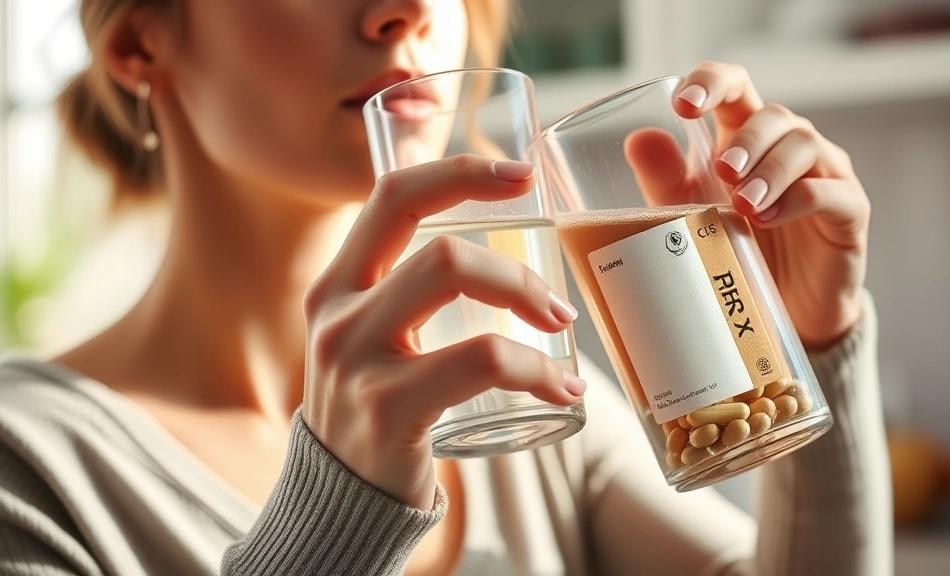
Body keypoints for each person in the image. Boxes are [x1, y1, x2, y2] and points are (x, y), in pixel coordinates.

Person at [0, 1, 891, 575]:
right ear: (136, 41)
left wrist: (812, 338)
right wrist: (337, 515)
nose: (410, 9)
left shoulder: (526, 409)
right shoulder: (30, 473)